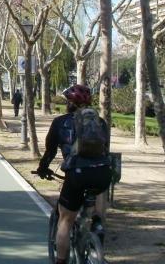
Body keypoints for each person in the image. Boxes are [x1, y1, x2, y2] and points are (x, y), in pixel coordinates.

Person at [35, 84, 112, 264]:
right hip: (102, 172)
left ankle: (61, 261)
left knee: (65, 220)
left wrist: (43, 168)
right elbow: (105, 149)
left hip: (77, 174)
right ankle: (97, 223)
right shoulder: (100, 123)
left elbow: (50, 152)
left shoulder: (60, 122)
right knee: (99, 188)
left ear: (69, 103)